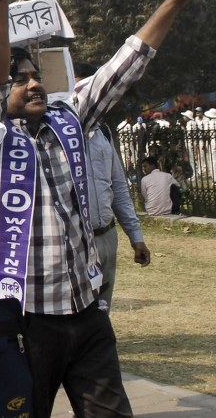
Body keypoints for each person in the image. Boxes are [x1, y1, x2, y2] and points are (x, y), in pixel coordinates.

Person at [0, 0, 202, 417]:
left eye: (36, 75)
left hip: (87, 313)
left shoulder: (68, 120)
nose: (34, 82)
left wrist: (172, 4)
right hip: (24, 323)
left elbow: (124, 67)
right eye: (22, 79)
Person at [74, 63, 151, 312]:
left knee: (102, 307)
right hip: (75, 242)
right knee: (78, 309)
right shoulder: (52, 137)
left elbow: (118, 188)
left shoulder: (104, 133)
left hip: (107, 237)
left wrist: (136, 238)